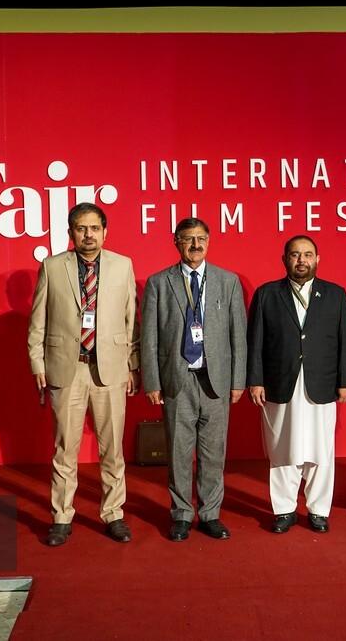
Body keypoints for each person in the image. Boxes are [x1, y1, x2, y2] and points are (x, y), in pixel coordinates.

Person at [28, 202, 139, 546]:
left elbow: (131, 319)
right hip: (67, 367)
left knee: (113, 450)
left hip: (111, 369)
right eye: (81, 228)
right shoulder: (52, 266)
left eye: (94, 228)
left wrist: (132, 365)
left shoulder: (123, 265)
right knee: (65, 449)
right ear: (70, 233)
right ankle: (61, 516)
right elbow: (38, 321)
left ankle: (114, 514)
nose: (88, 234)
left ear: (105, 232)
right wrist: (37, 364)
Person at [141, 218, 247, 541]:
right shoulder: (159, 283)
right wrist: (152, 381)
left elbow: (238, 336)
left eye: (201, 238)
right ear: (176, 242)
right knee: (178, 452)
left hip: (216, 380)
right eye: (188, 239)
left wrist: (238, 380)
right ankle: (182, 514)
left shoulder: (228, 281)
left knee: (214, 452)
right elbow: (149, 337)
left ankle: (211, 514)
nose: (196, 245)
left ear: (209, 241)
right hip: (177, 379)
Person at [247, 235, 346, 534]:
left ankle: (319, 511)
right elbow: (255, 341)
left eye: (307, 254)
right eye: (295, 255)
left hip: (322, 383)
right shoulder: (267, 294)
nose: (301, 260)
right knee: (282, 448)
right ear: (285, 260)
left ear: (317, 259)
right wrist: (255, 380)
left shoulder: (335, 295)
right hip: (280, 382)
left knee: (321, 450)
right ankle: (284, 509)